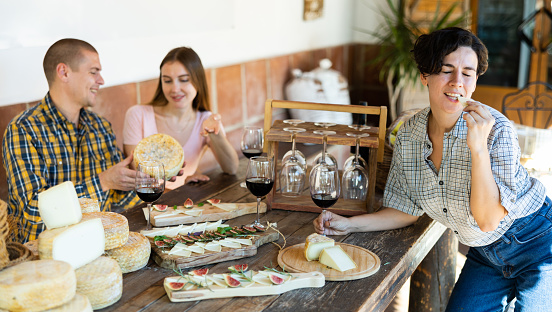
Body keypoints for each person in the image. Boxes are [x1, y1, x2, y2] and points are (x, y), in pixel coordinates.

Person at [314, 27, 551, 311]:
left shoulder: (495, 129)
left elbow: (488, 220)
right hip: (486, 254)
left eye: (467, 73)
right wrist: (349, 224)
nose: (457, 83)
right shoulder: (409, 136)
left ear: (475, 80)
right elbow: (404, 209)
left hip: (537, 241)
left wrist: (477, 148)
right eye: (446, 70)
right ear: (425, 75)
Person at [2, 39, 142, 244]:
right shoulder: (23, 130)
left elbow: (118, 199)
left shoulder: (100, 126)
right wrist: (102, 182)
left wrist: (149, 182)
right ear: (64, 72)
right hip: (45, 257)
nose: (101, 80)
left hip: (98, 246)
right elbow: (33, 213)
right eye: (94, 72)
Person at [123, 47, 239, 187]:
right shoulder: (137, 115)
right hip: (150, 205)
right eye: (167, 81)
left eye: (183, 80)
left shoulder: (206, 120)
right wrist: (180, 191)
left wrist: (216, 134)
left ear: (198, 81)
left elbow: (231, 168)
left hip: (185, 205)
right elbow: (139, 179)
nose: (175, 89)